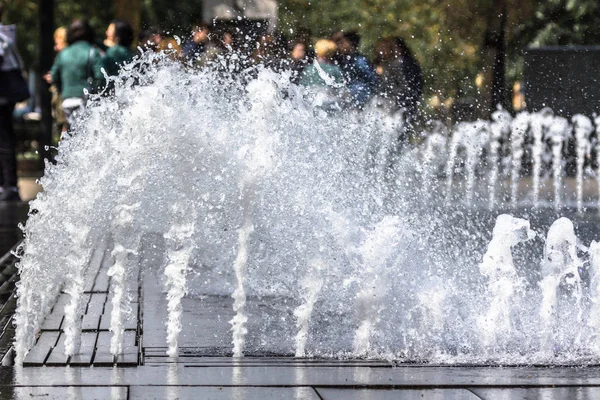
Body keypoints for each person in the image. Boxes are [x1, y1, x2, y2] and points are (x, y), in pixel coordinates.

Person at [49, 19, 103, 131]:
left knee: (70, 133)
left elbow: (54, 76)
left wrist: (63, 90)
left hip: (66, 101)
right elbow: (100, 77)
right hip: (85, 100)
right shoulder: (92, 52)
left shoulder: (63, 53)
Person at [0, 3, 29, 201]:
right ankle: (7, 184)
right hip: (5, 95)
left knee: (4, 139)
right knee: (5, 138)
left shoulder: (2, 36)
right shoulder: (6, 35)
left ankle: (9, 185)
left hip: (2, 94)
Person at [331, 31, 378, 108]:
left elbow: (373, 80)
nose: (339, 45)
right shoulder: (342, 59)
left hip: (361, 97)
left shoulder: (360, 61)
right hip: (348, 97)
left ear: (351, 44)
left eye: (342, 43)